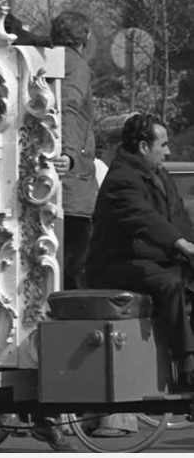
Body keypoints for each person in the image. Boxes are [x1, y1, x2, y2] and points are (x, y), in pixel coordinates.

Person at [87, 113, 194, 390]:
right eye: (164, 145)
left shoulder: (159, 174)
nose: (168, 152)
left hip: (149, 260)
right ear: (144, 147)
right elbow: (143, 217)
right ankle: (187, 366)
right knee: (169, 284)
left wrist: (189, 244)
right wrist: (179, 244)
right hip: (116, 266)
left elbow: (178, 217)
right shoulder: (121, 179)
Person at [51, 11, 97, 291]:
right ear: (85, 37)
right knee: (74, 268)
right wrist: (69, 153)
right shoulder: (76, 66)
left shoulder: (51, 61)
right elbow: (67, 107)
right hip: (74, 188)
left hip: (65, 185)